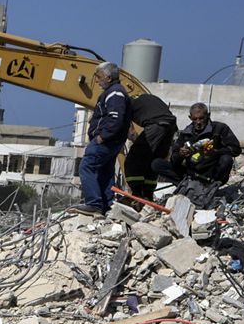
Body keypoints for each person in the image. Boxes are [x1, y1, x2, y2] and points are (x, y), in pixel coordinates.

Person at [73, 63, 132, 216]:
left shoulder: (115, 94)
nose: (97, 81)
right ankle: (106, 206)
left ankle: (93, 204)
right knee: (105, 172)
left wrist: (101, 137)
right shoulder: (114, 92)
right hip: (111, 142)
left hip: (105, 142)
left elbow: (115, 119)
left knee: (87, 167)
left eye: (99, 77)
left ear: (108, 77)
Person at [153, 103, 241, 185]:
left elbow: (235, 149)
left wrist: (214, 152)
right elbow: (174, 159)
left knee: (226, 159)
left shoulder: (220, 128)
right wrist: (180, 154)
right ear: (190, 118)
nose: (198, 122)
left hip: (212, 173)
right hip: (190, 172)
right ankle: (186, 185)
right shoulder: (185, 133)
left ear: (208, 115)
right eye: (195, 119)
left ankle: (212, 186)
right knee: (157, 164)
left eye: (201, 118)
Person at [123, 93, 177, 202]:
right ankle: (148, 194)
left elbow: (131, 133)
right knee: (152, 161)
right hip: (171, 127)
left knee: (133, 160)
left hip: (156, 125)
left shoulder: (124, 105)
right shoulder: (144, 100)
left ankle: (137, 195)